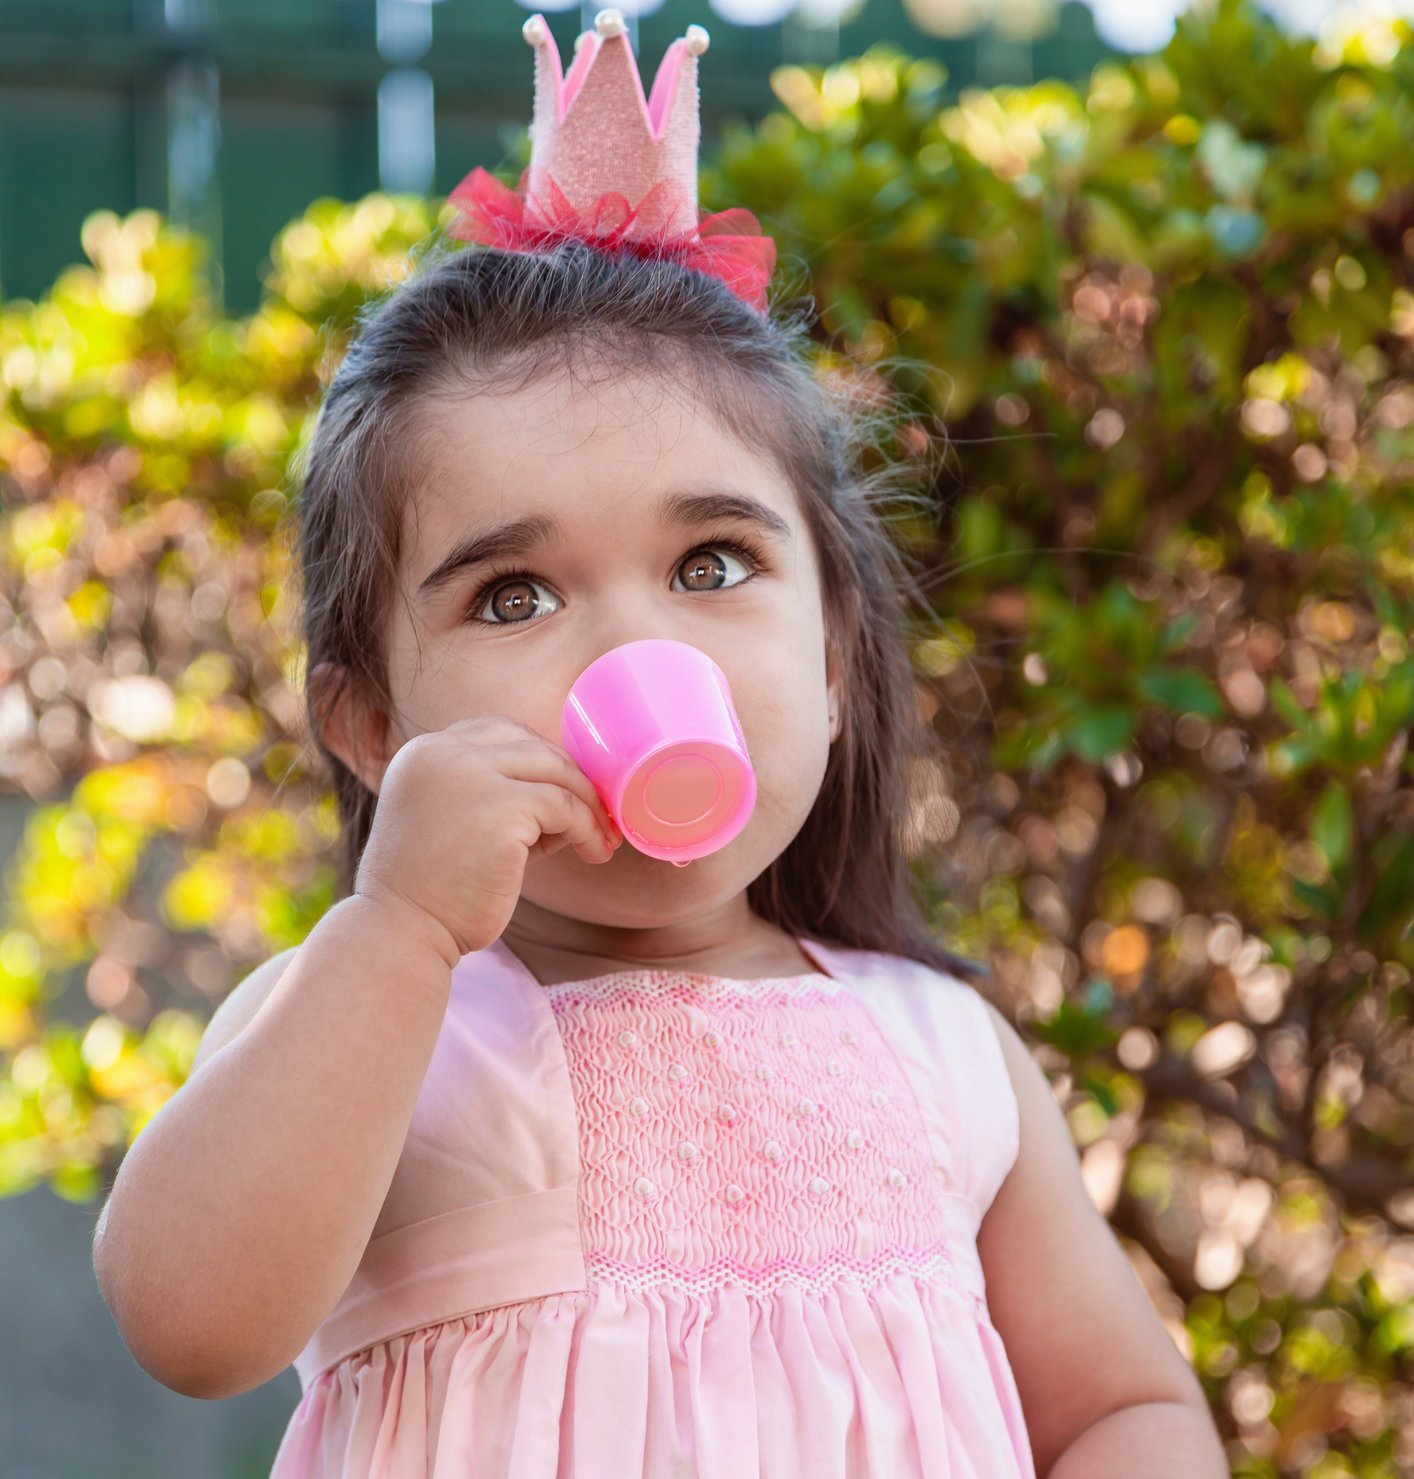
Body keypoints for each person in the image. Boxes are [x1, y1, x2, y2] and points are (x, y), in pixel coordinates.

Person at [92, 10, 1226, 1477]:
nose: (638, 654)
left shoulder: (940, 1049)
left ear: (826, 661)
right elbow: (189, 1324)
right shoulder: (376, 1020)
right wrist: (397, 927)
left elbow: (1122, 1411)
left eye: (708, 566)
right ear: (373, 727)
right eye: (514, 593)